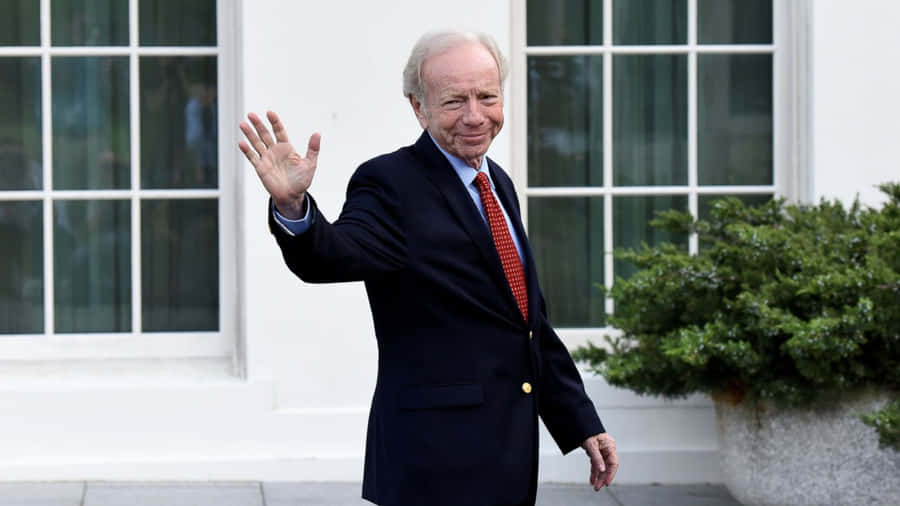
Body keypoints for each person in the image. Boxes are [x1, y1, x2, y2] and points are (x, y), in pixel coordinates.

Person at [239, 30, 618, 506]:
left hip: (507, 459)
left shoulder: (496, 183)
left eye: (487, 96)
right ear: (418, 108)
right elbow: (334, 254)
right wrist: (294, 207)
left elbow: (527, 323)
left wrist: (581, 421)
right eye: (454, 101)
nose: (475, 116)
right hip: (434, 466)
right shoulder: (390, 182)